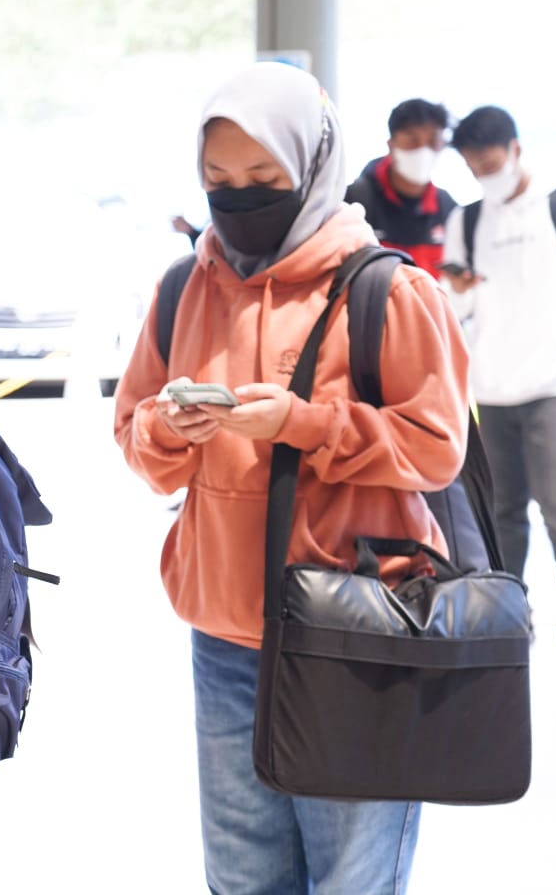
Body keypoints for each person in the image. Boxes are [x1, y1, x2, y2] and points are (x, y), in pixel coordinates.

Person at [113, 63, 470, 893]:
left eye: (263, 179)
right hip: (224, 635)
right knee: (242, 879)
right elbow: (132, 434)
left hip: (356, 633)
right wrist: (172, 425)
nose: (239, 198)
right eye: (218, 182)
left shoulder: (389, 289)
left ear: (311, 169)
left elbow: (436, 447)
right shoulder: (182, 288)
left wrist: (300, 425)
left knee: (352, 877)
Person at [442, 105, 556, 619]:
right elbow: (456, 308)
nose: (483, 177)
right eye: (473, 169)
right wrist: (459, 287)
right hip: (489, 389)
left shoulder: (554, 207)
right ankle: (512, 613)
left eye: (489, 165)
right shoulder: (466, 220)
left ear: (515, 150)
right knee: (499, 512)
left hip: (553, 385)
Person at [344, 97, 456, 278]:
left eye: (433, 141)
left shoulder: (449, 210)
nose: (423, 150)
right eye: (413, 140)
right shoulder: (353, 202)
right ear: (391, 144)